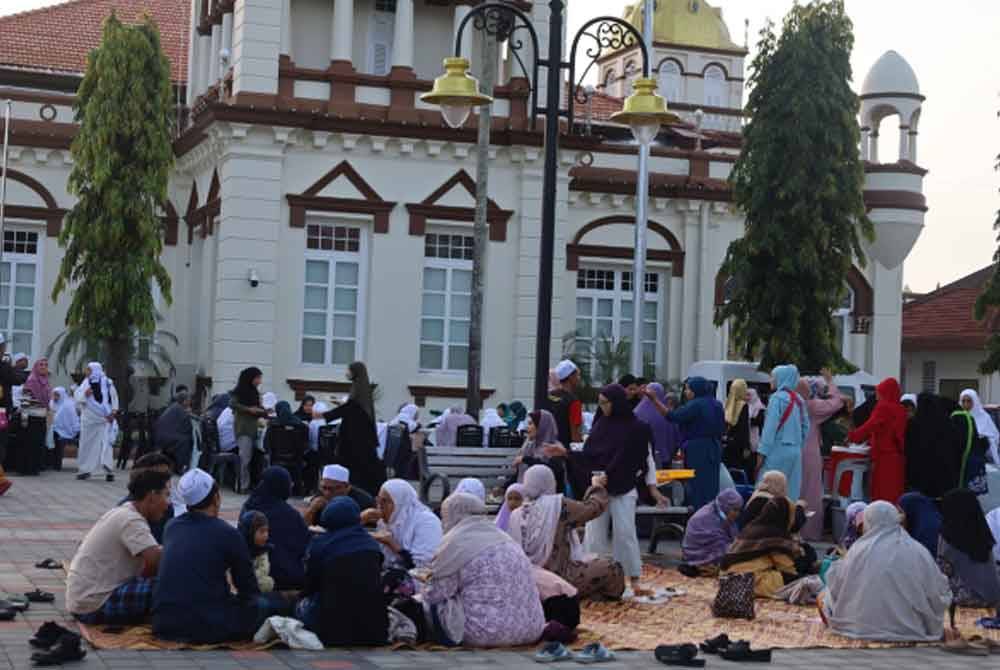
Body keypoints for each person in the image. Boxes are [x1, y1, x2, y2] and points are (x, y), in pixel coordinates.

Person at [154, 469, 285, 644]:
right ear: (216, 497)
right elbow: (248, 589)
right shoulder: (227, 533)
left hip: (163, 622)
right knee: (269, 605)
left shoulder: (171, 527)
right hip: (207, 626)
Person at [422, 492, 545, 647]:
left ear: (453, 515)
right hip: (531, 629)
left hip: (485, 633)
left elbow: (435, 595)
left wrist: (425, 582)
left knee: (428, 604)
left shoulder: (457, 545)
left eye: (444, 516)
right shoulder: (505, 539)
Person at [819, 501, 951, 641]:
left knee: (823, 595)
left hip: (857, 627)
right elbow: (938, 592)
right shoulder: (917, 550)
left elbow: (836, 586)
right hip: (911, 629)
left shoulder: (858, 550)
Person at [67, 470, 170, 624]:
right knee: (173, 586)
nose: (169, 503)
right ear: (152, 496)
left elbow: (154, 554)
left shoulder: (123, 511)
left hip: (83, 600)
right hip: (94, 605)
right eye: (166, 495)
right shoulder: (131, 520)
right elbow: (155, 561)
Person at [508, 465, 625, 600]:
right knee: (613, 568)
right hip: (561, 578)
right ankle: (590, 597)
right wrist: (597, 487)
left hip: (528, 580)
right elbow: (592, 508)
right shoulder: (557, 506)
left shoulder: (517, 513)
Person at [580, 384, 650, 594]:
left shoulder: (636, 427)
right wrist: (596, 475)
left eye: (605, 403)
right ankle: (594, 574)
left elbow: (630, 457)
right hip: (599, 485)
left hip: (623, 485)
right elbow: (589, 453)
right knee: (594, 533)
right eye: (600, 403)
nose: (602, 407)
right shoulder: (601, 425)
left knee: (625, 532)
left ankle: (633, 577)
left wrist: (608, 473)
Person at [297, 498, 387, 646]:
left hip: (334, 631)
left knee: (301, 605)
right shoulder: (371, 544)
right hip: (374, 631)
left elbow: (310, 584)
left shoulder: (320, 544)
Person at [318, 361, 386, 496]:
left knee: (356, 472)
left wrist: (324, 415)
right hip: (358, 439)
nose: (347, 373)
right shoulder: (360, 389)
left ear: (355, 372)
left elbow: (349, 408)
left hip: (355, 441)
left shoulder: (358, 391)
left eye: (349, 370)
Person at [240, 466, 310, 590]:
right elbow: (304, 546)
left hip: (255, 580)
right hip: (288, 582)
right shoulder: (291, 515)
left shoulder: (249, 508)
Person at [937, 488, 1000, 627]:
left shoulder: (949, 535)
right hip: (993, 596)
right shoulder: (982, 531)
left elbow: (943, 572)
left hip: (966, 598)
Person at [661, 377, 725, 510]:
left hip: (698, 450)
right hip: (714, 448)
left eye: (688, 389)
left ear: (696, 389)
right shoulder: (717, 404)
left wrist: (654, 400)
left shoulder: (696, 405)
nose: (686, 392)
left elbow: (673, 417)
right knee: (711, 486)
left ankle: (698, 516)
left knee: (697, 487)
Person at [721, 496, 802, 598]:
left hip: (726, 577)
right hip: (748, 581)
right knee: (792, 581)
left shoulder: (752, 526)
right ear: (786, 514)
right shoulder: (776, 534)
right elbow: (786, 567)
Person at [796, 371, 844, 541]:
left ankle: (793, 530)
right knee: (812, 491)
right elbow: (836, 403)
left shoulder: (791, 402)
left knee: (795, 490)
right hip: (809, 451)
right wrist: (830, 382)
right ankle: (810, 531)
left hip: (792, 450)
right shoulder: (812, 406)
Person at [848, 377, 907, 503]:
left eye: (879, 393)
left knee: (882, 495)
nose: (876, 397)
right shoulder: (901, 409)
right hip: (897, 457)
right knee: (895, 496)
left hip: (884, 458)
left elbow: (870, 426)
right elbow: (887, 430)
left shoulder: (883, 408)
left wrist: (852, 436)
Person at [756, 365, 809, 500]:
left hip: (777, 451)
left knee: (766, 493)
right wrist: (798, 445)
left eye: (773, 377)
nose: (770, 381)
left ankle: (767, 520)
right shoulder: (799, 400)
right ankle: (787, 520)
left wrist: (761, 454)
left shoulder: (776, 399)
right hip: (795, 452)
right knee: (790, 493)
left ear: (782, 379)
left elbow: (769, 430)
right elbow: (806, 427)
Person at [372, 479, 443, 569]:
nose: (379, 506)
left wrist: (391, 543)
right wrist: (362, 519)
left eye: (385, 501)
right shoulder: (386, 521)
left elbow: (424, 567)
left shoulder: (427, 522)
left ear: (400, 502)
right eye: (378, 500)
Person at [905, 393, 962, 498]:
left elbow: (908, 450)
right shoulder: (948, 424)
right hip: (945, 476)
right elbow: (957, 449)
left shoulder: (913, 425)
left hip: (920, 477)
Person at [679, 488, 745, 577]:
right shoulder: (706, 519)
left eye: (739, 510)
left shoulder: (723, 516)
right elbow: (720, 548)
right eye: (735, 510)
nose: (737, 514)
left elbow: (733, 543)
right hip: (698, 558)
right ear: (726, 507)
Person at [74, 362, 118, 483]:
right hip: (89, 420)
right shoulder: (85, 383)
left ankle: (108, 470)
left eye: (88, 369)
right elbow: (77, 398)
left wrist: (113, 413)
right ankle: (85, 470)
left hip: (104, 419)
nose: (86, 372)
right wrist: (84, 394)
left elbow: (114, 398)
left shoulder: (108, 382)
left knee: (105, 444)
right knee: (86, 445)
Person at [230, 367, 268, 493]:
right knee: (245, 458)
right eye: (258, 378)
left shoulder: (254, 392)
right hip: (243, 428)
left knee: (252, 458)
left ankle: (249, 484)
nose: (259, 381)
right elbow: (233, 404)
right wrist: (249, 409)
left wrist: (262, 411)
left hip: (253, 428)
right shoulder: (239, 392)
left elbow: (258, 407)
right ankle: (242, 486)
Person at [303, 464, 376, 526]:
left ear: (347, 487)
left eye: (332, 489)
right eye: (324, 488)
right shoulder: (320, 496)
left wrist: (360, 519)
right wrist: (311, 510)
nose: (327, 493)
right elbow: (302, 528)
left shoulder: (364, 501)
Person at [513, 409, 565, 492]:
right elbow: (519, 475)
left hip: (548, 498)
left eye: (531, 424)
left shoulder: (555, 448)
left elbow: (549, 470)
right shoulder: (529, 446)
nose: (527, 428)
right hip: (524, 494)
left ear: (541, 426)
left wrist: (525, 459)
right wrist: (503, 488)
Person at [634, 383, 681, 468]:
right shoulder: (666, 413)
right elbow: (676, 437)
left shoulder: (636, 412)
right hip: (665, 459)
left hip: (642, 459)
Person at [153, 390, 195, 474]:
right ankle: (182, 467)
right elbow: (188, 427)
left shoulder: (175, 407)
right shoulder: (179, 409)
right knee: (186, 441)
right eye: (189, 399)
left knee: (184, 439)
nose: (190, 401)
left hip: (161, 436)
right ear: (184, 401)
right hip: (166, 438)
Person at [722, 379, 755, 482]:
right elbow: (744, 428)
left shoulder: (728, 402)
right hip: (738, 446)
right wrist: (747, 446)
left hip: (727, 444)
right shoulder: (743, 405)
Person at [545, 360, 583, 446]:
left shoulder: (547, 397)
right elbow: (575, 435)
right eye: (577, 375)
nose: (579, 378)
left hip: (545, 449)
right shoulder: (574, 402)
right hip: (563, 451)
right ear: (571, 377)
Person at [960, 389, 1000, 466]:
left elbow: (994, 437)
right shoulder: (959, 417)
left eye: (969, 401)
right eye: (963, 401)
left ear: (975, 401)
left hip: (981, 459)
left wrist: (983, 438)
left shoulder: (984, 417)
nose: (965, 404)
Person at [239, 511, 274, 593]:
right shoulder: (238, 550)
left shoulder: (264, 550)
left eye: (267, 531)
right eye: (262, 531)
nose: (266, 535)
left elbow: (263, 572)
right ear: (249, 533)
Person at [898, 492, 941, 557]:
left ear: (910, 510)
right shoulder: (920, 524)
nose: (899, 517)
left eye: (901, 512)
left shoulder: (927, 533)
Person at [49, 386, 79, 471]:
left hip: (66, 431)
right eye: (54, 395)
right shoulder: (51, 403)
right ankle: (49, 463)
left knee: (55, 437)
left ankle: (56, 465)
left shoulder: (67, 405)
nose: (55, 397)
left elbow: (72, 420)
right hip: (54, 428)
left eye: (57, 395)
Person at [746, 388, 766, 454]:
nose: (747, 397)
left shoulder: (760, 407)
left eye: (749, 395)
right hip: (748, 435)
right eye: (746, 395)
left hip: (757, 436)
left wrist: (747, 421)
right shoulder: (746, 406)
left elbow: (758, 422)